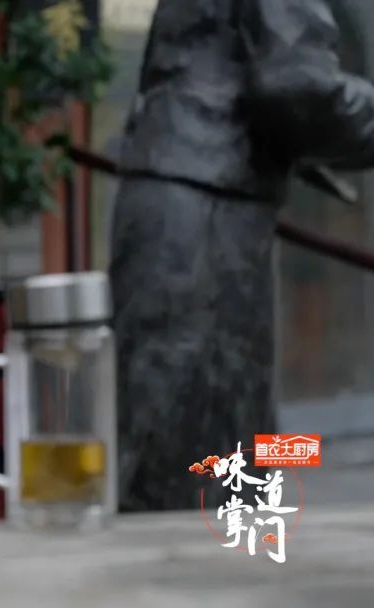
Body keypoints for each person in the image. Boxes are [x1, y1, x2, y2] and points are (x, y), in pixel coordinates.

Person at [111, 0, 374, 511]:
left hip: (191, 196)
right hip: (204, 207)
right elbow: (297, 86)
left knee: (196, 447)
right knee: (203, 454)